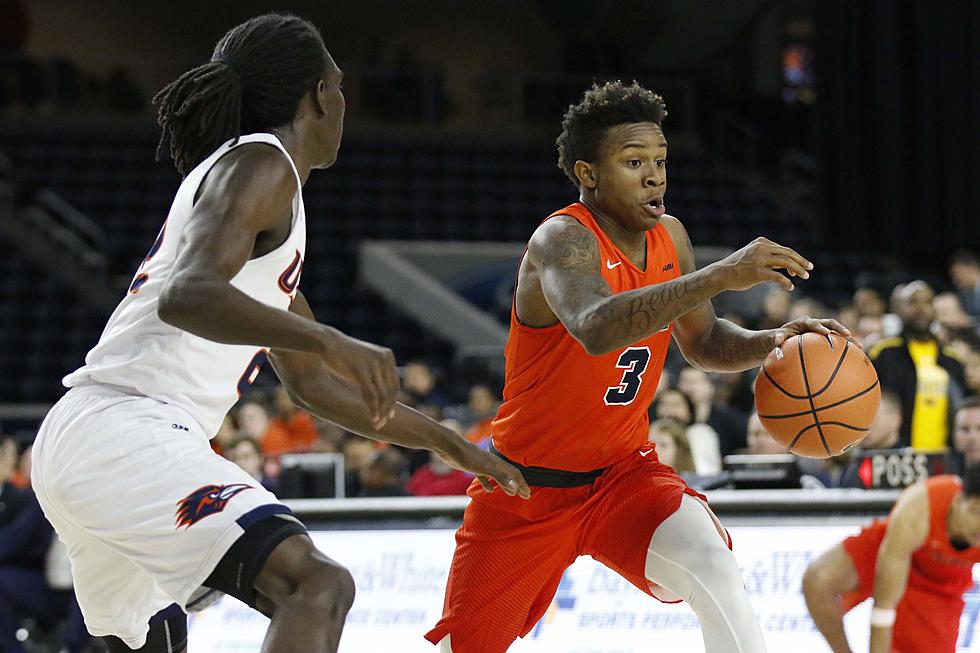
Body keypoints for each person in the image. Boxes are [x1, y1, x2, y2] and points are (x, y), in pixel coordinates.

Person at [30, 14, 528, 653]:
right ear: (320, 94)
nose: (345, 104)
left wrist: (452, 445)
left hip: (89, 437)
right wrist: (334, 340)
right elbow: (188, 295)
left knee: (152, 638)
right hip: (128, 430)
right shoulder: (263, 163)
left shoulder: (262, 233)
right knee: (315, 587)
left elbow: (316, 388)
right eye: (340, 87)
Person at [425, 80, 852, 653]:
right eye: (633, 162)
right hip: (525, 487)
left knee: (714, 566)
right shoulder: (562, 238)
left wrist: (772, 340)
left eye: (660, 160)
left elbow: (704, 342)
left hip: (623, 477)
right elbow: (597, 326)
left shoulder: (671, 236)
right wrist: (722, 274)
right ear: (589, 173)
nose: (655, 175)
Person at [803, 457, 980, 653]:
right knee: (818, 580)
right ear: (958, 500)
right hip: (893, 549)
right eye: (976, 512)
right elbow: (884, 605)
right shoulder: (920, 507)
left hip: (939, 583)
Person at [870, 281, 966, 449]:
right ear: (899, 309)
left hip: (944, 456)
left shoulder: (953, 361)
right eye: (913, 302)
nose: (920, 308)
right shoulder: (884, 354)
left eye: (927, 302)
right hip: (896, 454)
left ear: (934, 310)